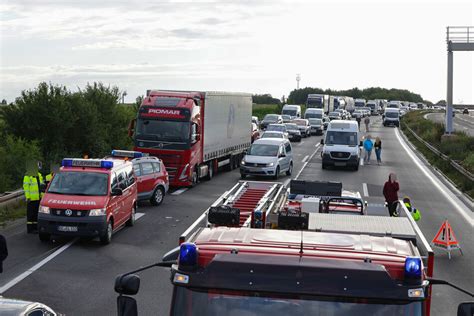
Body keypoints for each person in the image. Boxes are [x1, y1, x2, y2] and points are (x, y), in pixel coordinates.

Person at [23, 162, 44, 233]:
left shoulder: (39, 175)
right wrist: (28, 197)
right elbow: (26, 188)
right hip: (31, 199)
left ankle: (35, 228)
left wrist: (43, 196)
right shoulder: (28, 176)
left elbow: (41, 187)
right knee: (30, 215)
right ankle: (30, 229)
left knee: (36, 214)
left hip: (38, 198)